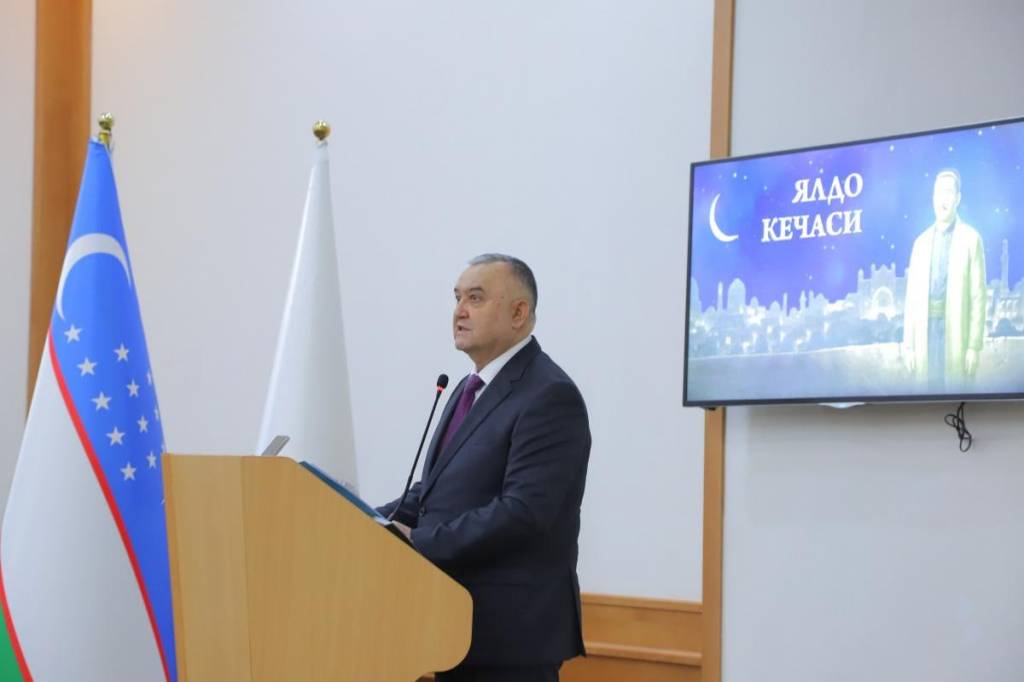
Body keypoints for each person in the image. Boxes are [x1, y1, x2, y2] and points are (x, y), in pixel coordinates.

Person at [378, 254, 591, 682]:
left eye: (475, 298)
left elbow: (524, 513)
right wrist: (368, 520)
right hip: (452, 623)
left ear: (519, 313)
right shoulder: (467, 388)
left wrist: (418, 541)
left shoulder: (549, 395)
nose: (459, 311)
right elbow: (435, 491)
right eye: (457, 298)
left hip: (510, 635)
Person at [902, 169, 987, 391]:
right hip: (925, 333)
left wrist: (973, 347)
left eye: (948, 193)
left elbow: (978, 298)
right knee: (926, 392)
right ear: (933, 198)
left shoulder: (971, 239)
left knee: (955, 388)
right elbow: (911, 300)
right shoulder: (920, 244)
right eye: (938, 193)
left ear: (958, 198)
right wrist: (909, 346)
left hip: (956, 331)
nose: (943, 200)